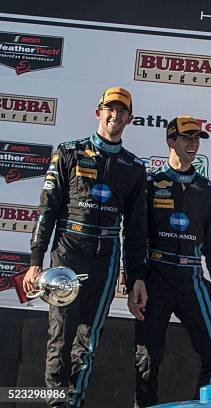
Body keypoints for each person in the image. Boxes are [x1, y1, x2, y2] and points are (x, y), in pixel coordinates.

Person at [23, 87, 148, 408]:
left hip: (106, 262)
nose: (115, 115)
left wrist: (136, 277)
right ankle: (54, 403)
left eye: (121, 111)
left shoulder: (133, 167)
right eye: (109, 108)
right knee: (60, 338)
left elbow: (135, 232)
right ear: (98, 112)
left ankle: (72, 402)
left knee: (88, 342)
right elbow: (47, 211)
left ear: (130, 119)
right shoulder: (69, 153)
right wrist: (36, 261)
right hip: (68, 256)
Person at [133, 116, 211, 407]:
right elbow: (136, 236)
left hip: (192, 280)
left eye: (197, 138)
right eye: (186, 137)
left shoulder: (208, 189)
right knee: (147, 359)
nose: (193, 144)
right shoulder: (150, 184)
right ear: (170, 141)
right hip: (156, 277)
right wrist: (136, 278)